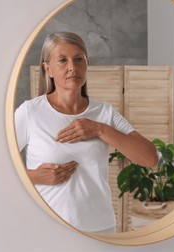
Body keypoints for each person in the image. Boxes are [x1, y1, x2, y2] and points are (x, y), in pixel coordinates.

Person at [15, 32, 158, 233]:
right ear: (48, 69)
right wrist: (34, 176)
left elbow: (150, 158)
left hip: (101, 228)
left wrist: (99, 129)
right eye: (62, 60)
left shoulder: (104, 113)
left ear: (86, 64)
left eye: (79, 59)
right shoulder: (30, 112)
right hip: (46, 228)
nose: (72, 67)